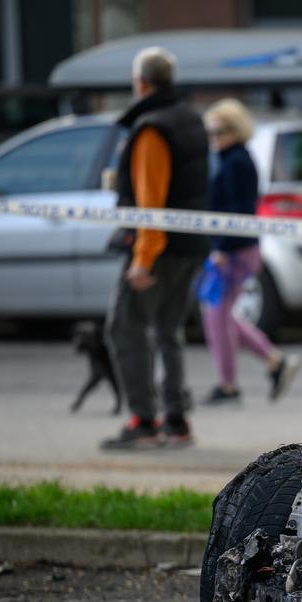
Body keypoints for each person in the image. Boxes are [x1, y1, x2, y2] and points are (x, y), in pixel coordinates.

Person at [101, 47, 209, 450]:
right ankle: (177, 421)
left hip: (158, 251)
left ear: (141, 82)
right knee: (168, 330)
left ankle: (144, 420)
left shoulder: (151, 129)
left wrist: (143, 259)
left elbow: (151, 204)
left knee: (124, 327)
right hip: (190, 246)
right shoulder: (190, 117)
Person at [199, 98, 299, 404]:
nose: (215, 137)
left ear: (237, 129)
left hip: (234, 251)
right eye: (211, 132)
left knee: (217, 316)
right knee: (221, 315)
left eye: (221, 130)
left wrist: (222, 249)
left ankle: (229, 385)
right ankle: (273, 360)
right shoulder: (232, 159)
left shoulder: (236, 161)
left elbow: (238, 211)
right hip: (236, 248)